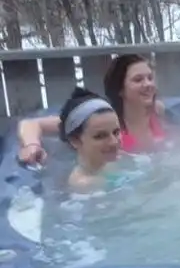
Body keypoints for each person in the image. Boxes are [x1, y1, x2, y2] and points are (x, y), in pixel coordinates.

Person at [18, 54, 168, 164]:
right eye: (138, 80)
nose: (148, 84)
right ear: (120, 89)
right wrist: (32, 146)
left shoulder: (157, 111)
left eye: (150, 78)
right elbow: (30, 124)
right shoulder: (103, 119)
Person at [58, 87, 121, 193]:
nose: (114, 142)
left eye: (116, 132)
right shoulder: (83, 184)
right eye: (100, 136)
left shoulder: (111, 161)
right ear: (75, 140)